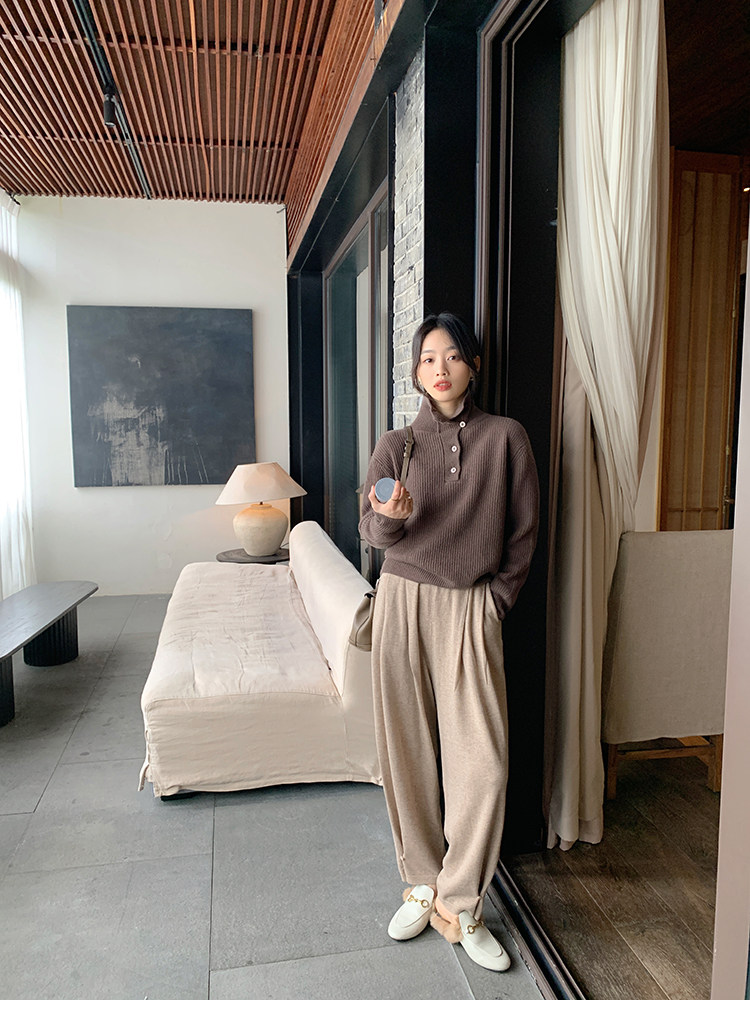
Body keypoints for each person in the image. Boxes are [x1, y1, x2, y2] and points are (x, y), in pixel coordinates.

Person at [358, 312, 539, 972]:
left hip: (470, 606)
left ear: (473, 366)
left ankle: (462, 904)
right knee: (405, 750)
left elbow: (523, 533)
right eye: (428, 357)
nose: (440, 368)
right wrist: (389, 520)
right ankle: (421, 883)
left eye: (453, 356)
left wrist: (495, 602)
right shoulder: (396, 444)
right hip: (402, 598)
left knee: (482, 763)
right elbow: (370, 532)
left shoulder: (506, 438)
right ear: (415, 371)